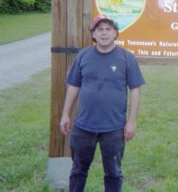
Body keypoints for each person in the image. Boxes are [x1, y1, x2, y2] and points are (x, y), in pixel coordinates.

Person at [59, 13, 146, 192]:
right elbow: (74, 86)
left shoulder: (127, 58)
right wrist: (65, 114)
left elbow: (135, 89)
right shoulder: (83, 56)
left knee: (113, 173)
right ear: (94, 34)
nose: (104, 33)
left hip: (114, 128)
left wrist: (131, 121)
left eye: (108, 29)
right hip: (83, 126)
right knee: (78, 171)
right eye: (100, 29)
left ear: (115, 33)